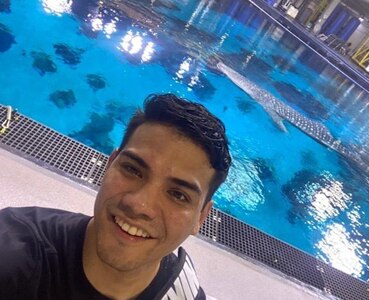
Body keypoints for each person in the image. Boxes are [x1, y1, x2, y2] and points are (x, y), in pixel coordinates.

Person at [0, 94, 231, 300]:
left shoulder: (182, 286)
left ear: (200, 218)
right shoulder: (16, 258)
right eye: (133, 170)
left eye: (178, 195)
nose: (140, 205)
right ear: (110, 165)